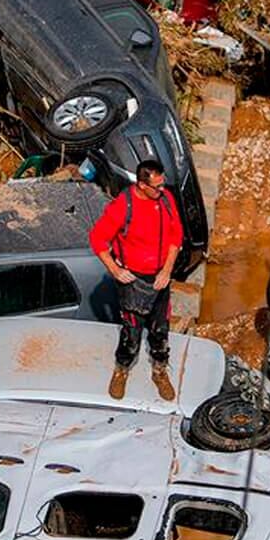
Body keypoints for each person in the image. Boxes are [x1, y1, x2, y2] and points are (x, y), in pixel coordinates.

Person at [87, 160, 183, 401]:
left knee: (160, 330)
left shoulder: (166, 200)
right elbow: (98, 239)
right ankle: (122, 370)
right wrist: (115, 270)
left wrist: (166, 271)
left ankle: (159, 371)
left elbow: (175, 236)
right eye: (156, 187)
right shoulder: (123, 207)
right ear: (141, 184)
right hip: (134, 280)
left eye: (163, 185)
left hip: (160, 277)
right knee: (132, 332)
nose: (162, 191)